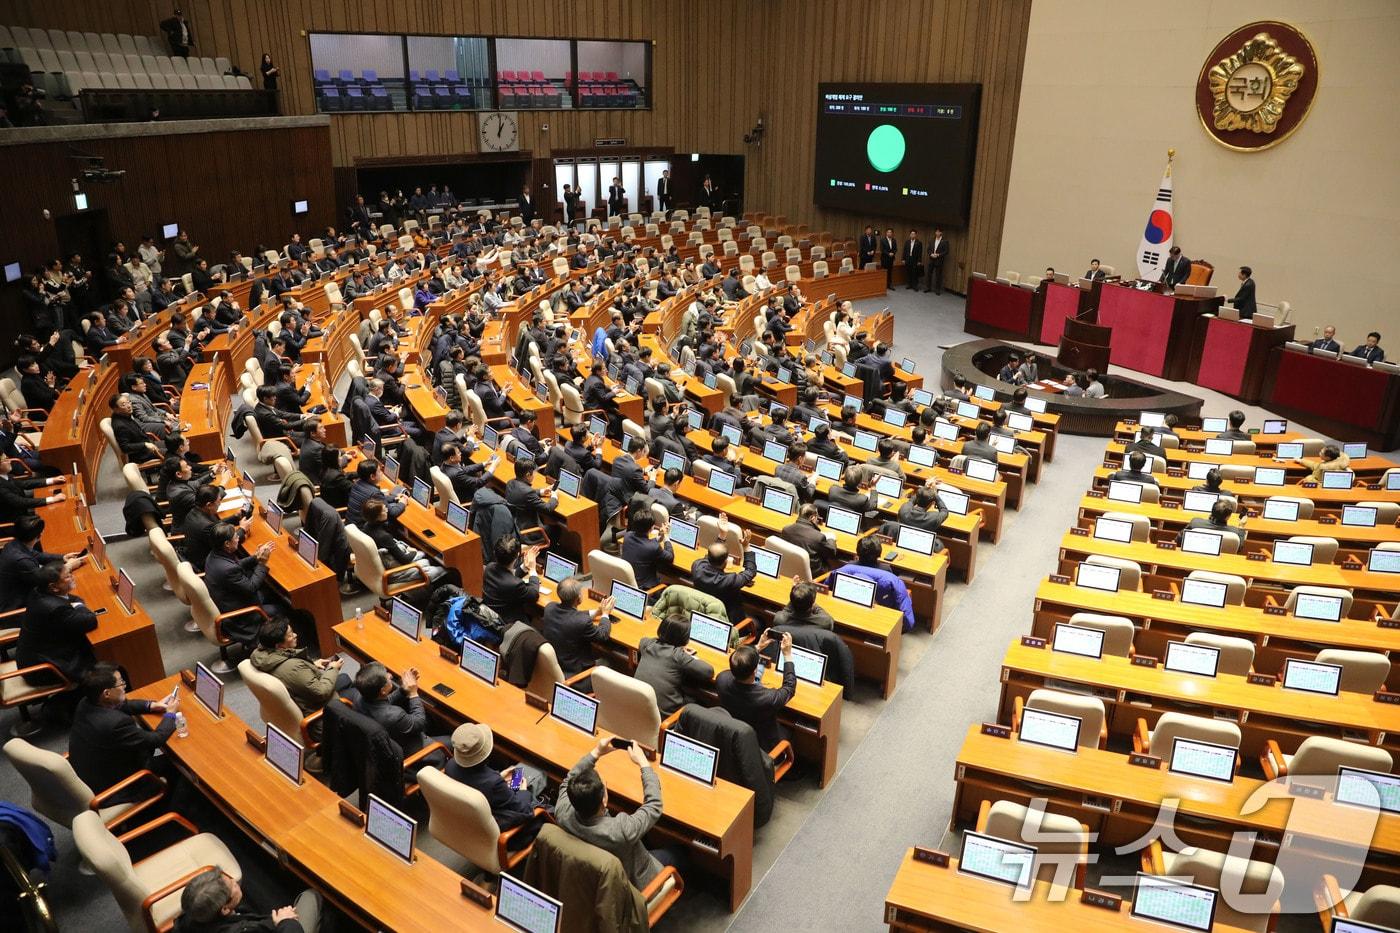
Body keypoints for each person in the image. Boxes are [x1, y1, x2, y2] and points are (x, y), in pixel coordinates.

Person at [555, 736, 668, 889]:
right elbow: (654, 805)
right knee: (680, 853)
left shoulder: (562, 810)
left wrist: (596, 752)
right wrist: (644, 763)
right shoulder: (622, 830)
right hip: (634, 883)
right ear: (604, 801)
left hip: (593, 880)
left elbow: (569, 780)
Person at [69, 663, 178, 799]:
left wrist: (151, 705)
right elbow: (156, 739)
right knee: (175, 763)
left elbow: (120, 704)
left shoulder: (86, 703)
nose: (124, 685)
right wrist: (171, 714)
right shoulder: (114, 724)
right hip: (118, 787)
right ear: (107, 693)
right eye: (120, 683)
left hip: (94, 772)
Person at [249, 617, 346, 743]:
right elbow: (321, 692)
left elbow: (292, 676)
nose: (295, 635)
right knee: (358, 693)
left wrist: (311, 665)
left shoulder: (263, 655)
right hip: (320, 720)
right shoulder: (292, 668)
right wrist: (333, 669)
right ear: (279, 646)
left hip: (302, 698)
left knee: (345, 679)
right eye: (290, 635)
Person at [445, 722, 547, 831]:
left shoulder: (449, 766)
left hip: (468, 820)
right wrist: (523, 790)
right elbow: (524, 810)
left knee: (517, 772)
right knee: (536, 773)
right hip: (500, 827)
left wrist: (499, 776)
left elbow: (476, 782)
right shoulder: (494, 783)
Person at [16, 562, 99, 687]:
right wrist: (80, 606)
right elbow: (90, 621)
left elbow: (72, 599)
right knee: (102, 665)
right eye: (67, 577)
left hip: (36, 654)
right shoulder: (55, 608)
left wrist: (77, 603)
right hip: (44, 669)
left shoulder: (38, 591)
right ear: (54, 587)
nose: (72, 577)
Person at [174, 868, 321, 933]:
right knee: (311, 896)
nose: (234, 880)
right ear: (224, 909)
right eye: (233, 886)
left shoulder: (190, 918)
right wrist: (286, 922)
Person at [716, 633, 796, 750]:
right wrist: (787, 655)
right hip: (762, 746)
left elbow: (739, 663)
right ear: (755, 671)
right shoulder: (768, 698)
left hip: (734, 736)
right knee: (792, 731)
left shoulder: (721, 680)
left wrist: (758, 647)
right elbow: (789, 688)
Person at [353, 662, 446, 760]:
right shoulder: (394, 715)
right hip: (413, 751)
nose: (390, 676)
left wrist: (404, 689)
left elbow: (385, 700)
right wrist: (413, 693)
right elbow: (419, 722)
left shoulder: (359, 697)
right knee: (450, 738)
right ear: (383, 690)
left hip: (388, 739)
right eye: (387, 676)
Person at [203, 523, 277, 645]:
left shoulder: (213, 555)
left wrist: (255, 558)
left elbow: (236, 565)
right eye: (236, 537)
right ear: (227, 544)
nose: (239, 538)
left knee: (271, 592)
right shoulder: (227, 569)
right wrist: (262, 563)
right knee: (281, 609)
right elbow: (252, 587)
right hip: (242, 618)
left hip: (230, 602)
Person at [634, 614, 714, 716]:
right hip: (665, 718)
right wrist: (683, 654)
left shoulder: (646, 644)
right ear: (685, 638)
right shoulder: (678, 656)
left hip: (638, 708)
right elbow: (708, 671)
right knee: (698, 697)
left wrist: (678, 648)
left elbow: (645, 641)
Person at [835, 536, 915, 631]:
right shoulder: (886, 570)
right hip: (880, 611)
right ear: (879, 553)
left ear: (857, 552)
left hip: (850, 605)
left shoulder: (849, 567)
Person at [540, 577, 614, 678]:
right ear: (578, 599)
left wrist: (598, 611)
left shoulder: (549, 608)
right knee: (608, 662)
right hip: (575, 673)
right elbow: (602, 635)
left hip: (557, 663)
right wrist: (605, 614)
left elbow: (571, 615)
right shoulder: (582, 622)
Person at [691, 533, 757, 625]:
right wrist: (746, 547)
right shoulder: (729, 581)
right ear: (725, 562)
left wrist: (722, 536)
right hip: (726, 621)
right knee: (759, 621)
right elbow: (751, 571)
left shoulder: (697, 567)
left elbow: (710, 557)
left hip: (700, 614)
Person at [483, 535, 542, 627]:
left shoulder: (489, 568)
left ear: (495, 552)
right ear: (518, 556)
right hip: (509, 625)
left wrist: (524, 567)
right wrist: (532, 569)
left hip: (491, 618)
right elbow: (534, 594)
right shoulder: (515, 584)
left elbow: (507, 576)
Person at [621, 506, 672, 591]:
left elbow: (645, 543)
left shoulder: (627, 536)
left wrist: (660, 537)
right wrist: (667, 537)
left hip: (628, 583)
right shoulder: (653, 547)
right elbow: (670, 557)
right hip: (646, 589)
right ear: (651, 527)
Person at [780, 503, 838, 576]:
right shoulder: (818, 537)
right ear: (812, 517)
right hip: (813, 574)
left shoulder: (786, 529)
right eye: (817, 517)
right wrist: (831, 538)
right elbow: (832, 553)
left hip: (790, 568)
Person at [1180, 500, 1245, 549]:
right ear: (1228, 517)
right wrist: (1241, 526)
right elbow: (1239, 548)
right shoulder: (1235, 532)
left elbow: (1179, 539)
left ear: (1212, 511)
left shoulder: (1195, 523)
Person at [924, 228, 949, 294]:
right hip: (931, 259)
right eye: (936, 232)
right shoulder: (932, 240)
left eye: (938, 232)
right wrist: (931, 254)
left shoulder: (945, 241)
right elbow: (928, 249)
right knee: (929, 274)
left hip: (939, 260)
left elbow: (946, 251)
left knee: (938, 275)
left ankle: (937, 289)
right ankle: (928, 287)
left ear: (941, 233)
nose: (937, 233)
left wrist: (938, 255)